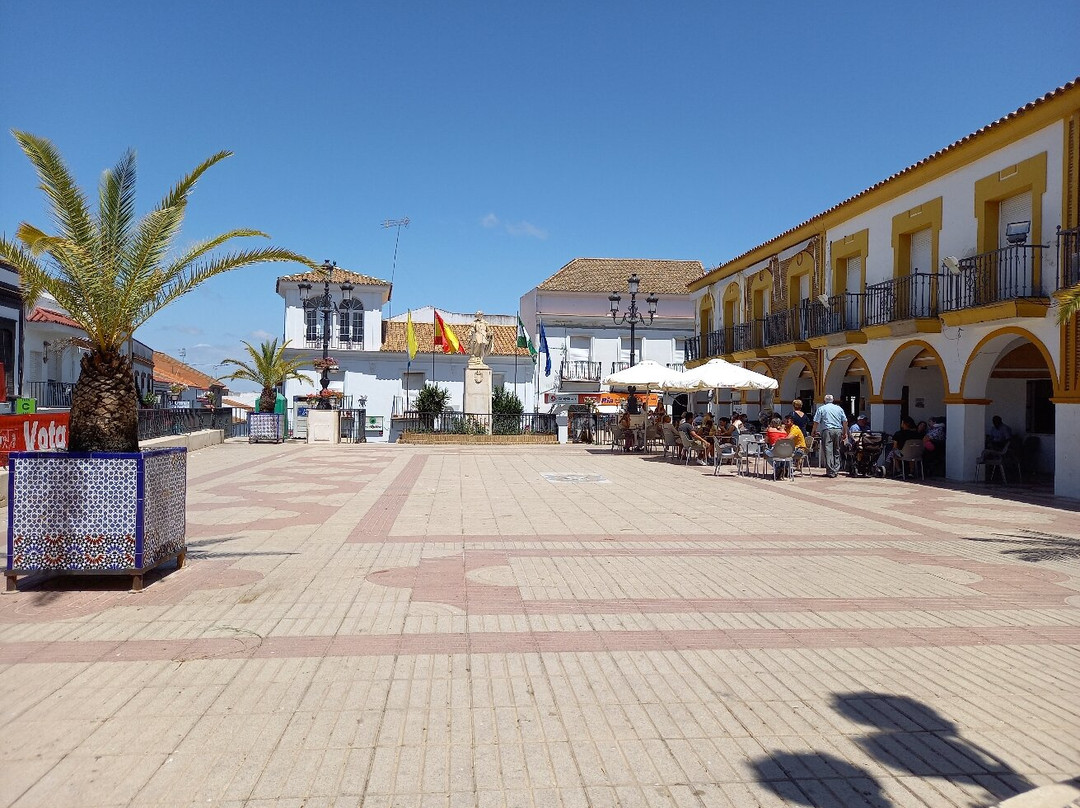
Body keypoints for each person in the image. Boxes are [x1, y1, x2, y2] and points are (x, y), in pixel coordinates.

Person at [812, 394, 848, 478]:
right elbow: (845, 421)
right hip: (838, 430)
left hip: (827, 430)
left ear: (824, 401)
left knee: (828, 450)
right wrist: (845, 432)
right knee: (837, 449)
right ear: (833, 400)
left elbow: (816, 422)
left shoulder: (821, 408)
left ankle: (830, 471)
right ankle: (836, 469)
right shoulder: (839, 408)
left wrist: (813, 431)